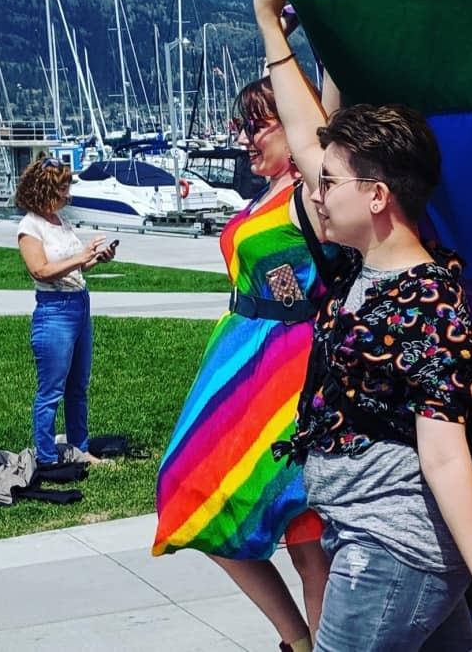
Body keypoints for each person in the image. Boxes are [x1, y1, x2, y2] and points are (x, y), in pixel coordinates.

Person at [253, 0, 472, 652]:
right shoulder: (361, 269)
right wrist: (270, 28)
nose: (316, 193)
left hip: (392, 548)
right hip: (376, 536)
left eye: (331, 183)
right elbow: (305, 125)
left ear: (377, 196)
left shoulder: (426, 301)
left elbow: (444, 456)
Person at [153, 75, 338, 652]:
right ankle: (299, 640)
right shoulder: (266, 194)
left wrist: (315, 17)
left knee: (307, 537)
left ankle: (317, 646)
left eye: (259, 124)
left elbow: (322, 116)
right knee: (190, 491)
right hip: (247, 365)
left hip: (295, 374)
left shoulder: (312, 188)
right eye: (244, 124)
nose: (245, 137)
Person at [16, 155, 117, 467]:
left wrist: (96, 258)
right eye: (63, 188)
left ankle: (79, 448)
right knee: (51, 390)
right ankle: (46, 457)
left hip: (78, 304)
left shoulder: (61, 222)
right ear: (46, 188)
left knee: (78, 387)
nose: (68, 193)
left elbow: (74, 265)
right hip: (54, 312)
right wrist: (81, 256)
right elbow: (41, 270)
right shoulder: (29, 227)